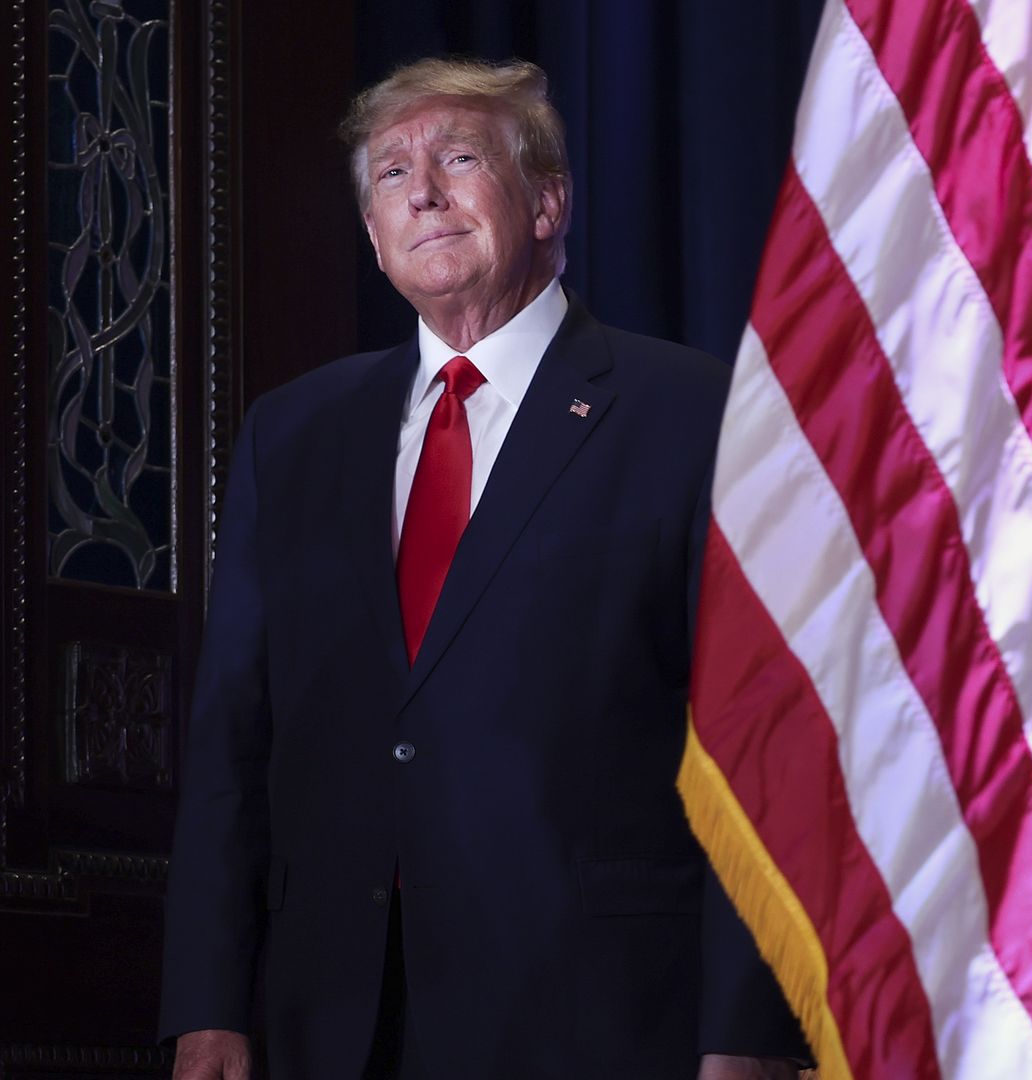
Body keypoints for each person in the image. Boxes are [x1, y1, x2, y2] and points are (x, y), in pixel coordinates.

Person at [157, 57, 807, 1079]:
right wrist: (208, 1003)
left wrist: (749, 1030)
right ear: (375, 238)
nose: (421, 191)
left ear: (549, 201)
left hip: (603, 1016)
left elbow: (759, 736)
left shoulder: (696, 414)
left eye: (458, 158)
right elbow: (234, 739)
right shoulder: (292, 436)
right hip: (330, 1018)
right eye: (390, 174)